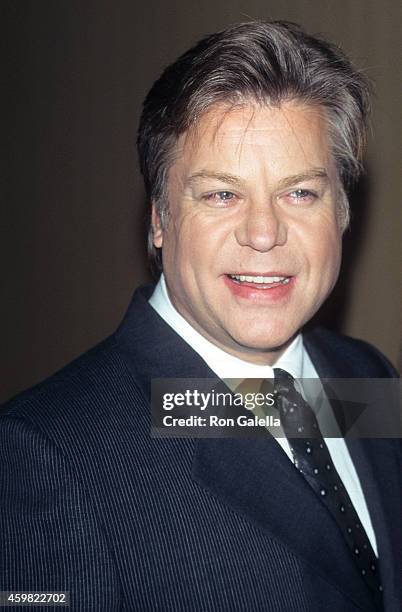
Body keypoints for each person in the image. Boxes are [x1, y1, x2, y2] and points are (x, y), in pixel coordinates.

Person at [1, 20, 400, 612]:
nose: (264, 233)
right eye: (220, 194)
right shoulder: (46, 455)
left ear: (341, 212)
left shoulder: (367, 374)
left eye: (300, 193)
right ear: (159, 219)